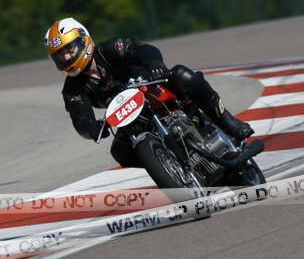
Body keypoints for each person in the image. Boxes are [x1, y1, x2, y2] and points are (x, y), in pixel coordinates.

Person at [45, 17, 254, 167]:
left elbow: (144, 50)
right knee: (120, 153)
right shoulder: (72, 90)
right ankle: (169, 166)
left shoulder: (110, 49)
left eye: (69, 49)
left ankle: (227, 122)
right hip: (131, 118)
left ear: (83, 40)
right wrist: (91, 128)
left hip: (153, 88)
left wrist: (154, 64)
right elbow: (80, 118)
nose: (66, 57)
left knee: (183, 75)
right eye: (59, 55)